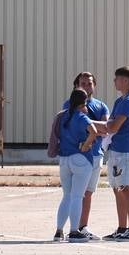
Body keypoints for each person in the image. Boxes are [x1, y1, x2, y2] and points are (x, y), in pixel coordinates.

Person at [61, 72, 109, 239]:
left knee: (88, 193)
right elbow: (68, 122)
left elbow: (107, 127)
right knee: (73, 194)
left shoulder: (101, 106)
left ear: (94, 85)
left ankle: (82, 227)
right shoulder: (68, 104)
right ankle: (69, 229)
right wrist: (93, 125)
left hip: (95, 154)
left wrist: (88, 123)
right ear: (76, 86)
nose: (86, 86)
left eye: (89, 83)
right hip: (76, 155)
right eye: (82, 83)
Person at [53, 88, 98, 242]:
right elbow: (93, 131)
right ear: (83, 102)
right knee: (78, 196)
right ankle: (73, 231)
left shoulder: (64, 116)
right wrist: (86, 145)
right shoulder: (82, 117)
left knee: (66, 196)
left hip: (64, 159)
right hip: (80, 158)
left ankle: (59, 231)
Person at [104, 66, 129, 241]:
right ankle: (121, 227)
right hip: (115, 149)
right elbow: (110, 123)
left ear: (125, 81)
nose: (114, 81)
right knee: (117, 188)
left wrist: (96, 126)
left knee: (126, 187)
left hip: (124, 150)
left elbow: (113, 126)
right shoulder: (120, 101)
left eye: (117, 78)